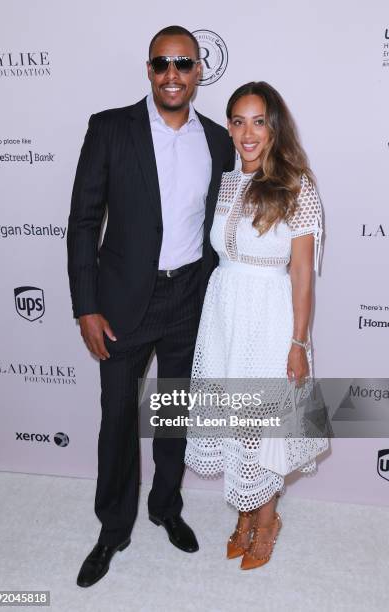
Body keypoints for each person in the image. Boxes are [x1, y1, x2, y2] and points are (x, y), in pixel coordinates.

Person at [67, 25, 234, 587]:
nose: (172, 74)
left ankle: (166, 506)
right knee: (117, 416)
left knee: (173, 412)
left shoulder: (217, 140)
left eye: (183, 63)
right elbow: (84, 222)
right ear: (148, 69)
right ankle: (113, 529)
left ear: (197, 72)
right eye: (162, 63)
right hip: (120, 303)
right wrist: (85, 305)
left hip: (189, 296)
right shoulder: (110, 128)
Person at [185, 81, 323, 569]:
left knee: (264, 427)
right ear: (228, 126)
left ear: (273, 127)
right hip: (224, 312)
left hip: (269, 316)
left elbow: (303, 271)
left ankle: (266, 522)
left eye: (258, 121)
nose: (248, 132)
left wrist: (298, 342)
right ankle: (245, 513)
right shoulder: (223, 182)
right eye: (238, 121)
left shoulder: (295, 184)